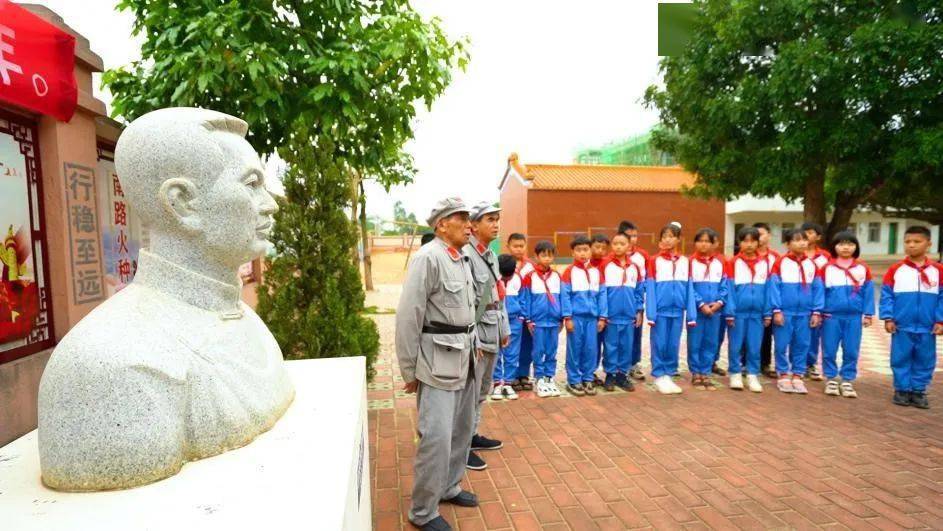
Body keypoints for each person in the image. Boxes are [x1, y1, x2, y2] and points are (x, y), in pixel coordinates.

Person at [395, 197, 479, 531]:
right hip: (437, 361)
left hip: (465, 356)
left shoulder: (460, 258)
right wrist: (409, 368)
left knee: (460, 432)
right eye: (462, 218)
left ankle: (449, 486)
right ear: (442, 224)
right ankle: (423, 510)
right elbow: (409, 315)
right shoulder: (427, 258)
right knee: (436, 437)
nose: (469, 224)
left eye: (469, 218)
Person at [463, 202, 510, 471]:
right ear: (474, 224)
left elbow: (497, 295)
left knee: (482, 390)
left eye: (497, 219)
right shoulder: (467, 256)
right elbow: (468, 303)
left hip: (493, 327)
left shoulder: (491, 255)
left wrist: (504, 328)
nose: (495, 224)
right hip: (478, 332)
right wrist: (474, 340)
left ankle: (472, 435)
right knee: (470, 393)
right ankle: (463, 445)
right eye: (490, 219)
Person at [880, 226, 943, 409]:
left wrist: (940, 320)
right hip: (902, 325)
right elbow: (887, 295)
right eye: (907, 242)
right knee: (900, 357)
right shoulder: (896, 270)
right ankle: (901, 389)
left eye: (917, 241)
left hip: (927, 325)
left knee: (925, 358)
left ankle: (918, 390)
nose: (911, 245)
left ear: (929, 244)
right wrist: (888, 317)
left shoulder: (938, 270)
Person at [769, 228, 824, 394]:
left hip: (805, 313)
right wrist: (776, 310)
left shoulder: (812, 265)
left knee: (802, 344)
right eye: (797, 240)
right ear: (788, 244)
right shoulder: (780, 263)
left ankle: (798, 375)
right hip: (785, 311)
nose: (802, 243)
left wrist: (816, 311)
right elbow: (774, 287)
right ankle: (783, 374)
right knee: (781, 344)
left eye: (804, 240)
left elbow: (818, 289)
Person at [820, 231, 874, 398]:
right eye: (841, 244)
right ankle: (831, 378)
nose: (845, 247)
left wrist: (868, 313)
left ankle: (847, 380)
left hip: (854, 317)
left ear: (856, 247)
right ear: (834, 247)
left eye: (850, 244)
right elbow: (820, 292)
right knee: (829, 349)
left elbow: (868, 292)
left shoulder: (862, 268)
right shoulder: (826, 268)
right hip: (830, 316)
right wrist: (818, 311)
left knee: (851, 349)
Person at [646, 224, 696, 394]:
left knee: (673, 343)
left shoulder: (685, 261)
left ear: (678, 239)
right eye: (664, 236)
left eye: (671, 236)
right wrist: (651, 313)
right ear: (660, 240)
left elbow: (689, 287)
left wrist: (691, 313)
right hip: (660, 311)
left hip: (678, 310)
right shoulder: (655, 261)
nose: (667, 239)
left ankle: (669, 373)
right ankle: (659, 375)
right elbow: (651, 288)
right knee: (659, 343)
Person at [724, 227, 772, 392]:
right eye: (745, 241)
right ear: (739, 243)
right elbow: (729, 289)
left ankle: (752, 374)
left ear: (758, 242)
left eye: (753, 241)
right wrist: (730, 311)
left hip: (757, 313)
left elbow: (768, 290)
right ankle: (735, 373)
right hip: (738, 312)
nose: (749, 244)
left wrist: (767, 312)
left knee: (754, 344)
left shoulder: (765, 263)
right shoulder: (732, 263)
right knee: (736, 344)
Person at [561, 236, 606, 396]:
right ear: (572, 252)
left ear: (590, 250)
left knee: (591, 349)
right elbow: (565, 296)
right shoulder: (569, 272)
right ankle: (574, 380)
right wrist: (567, 317)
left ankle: (587, 378)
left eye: (585, 250)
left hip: (592, 319)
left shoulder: (596, 272)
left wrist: (602, 317)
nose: (583, 254)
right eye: (578, 250)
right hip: (576, 318)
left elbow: (602, 295)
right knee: (575, 349)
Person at [599, 232, 643, 392]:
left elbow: (639, 291)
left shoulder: (634, 267)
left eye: (622, 243)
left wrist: (639, 311)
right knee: (611, 346)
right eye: (615, 243)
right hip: (611, 316)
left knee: (626, 346)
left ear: (629, 246)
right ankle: (610, 375)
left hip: (629, 316)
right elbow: (601, 292)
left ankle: (622, 375)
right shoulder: (605, 265)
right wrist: (603, 314)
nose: (618, 246)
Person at [522, 241, 563, 398]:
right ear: (536, 256)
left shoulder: (557, 277)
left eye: (550, 255)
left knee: (552, 350)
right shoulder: (529, 277)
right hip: (537, 321)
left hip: (553, 320)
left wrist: (561, 318)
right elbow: (526, 299)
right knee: (538, 350)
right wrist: (528, 319)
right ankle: (539, 377)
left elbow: (561, 298)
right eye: (543, 255)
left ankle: (549, 377)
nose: (547, 258)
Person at [688, 228, 727, 391]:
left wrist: (719, 302)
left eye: (707, 241)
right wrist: (701, 304)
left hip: (715, 310)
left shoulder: (720, 263)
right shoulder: (690, 262)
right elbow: (689, 287)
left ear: (713, 244)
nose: (703, 244)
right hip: (697, 310)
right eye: (700, 240)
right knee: (695, 341)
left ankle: (706, 371)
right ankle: (695, 371)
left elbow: (725, 286)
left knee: (711, 340)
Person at [618, 220, 650, 381]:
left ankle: (633, 364)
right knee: (616, 337)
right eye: (629, 236)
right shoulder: (613, 257)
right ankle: (616, 367)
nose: (632, 239)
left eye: (635, 236)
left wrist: (641, 302)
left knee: (636, 334)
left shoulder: (643, 255)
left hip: (636, 302)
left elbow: (646, 279)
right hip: (617, 305)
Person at [801, 221, 831, 381]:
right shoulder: (795, 255)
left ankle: (810, 364)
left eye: (811, 232)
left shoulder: (825, 257)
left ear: (818, 237)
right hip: (799, 301)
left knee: (814, 334)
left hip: (819, 301)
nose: (807, 235)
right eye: (804, 232)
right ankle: (797, 364)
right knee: (798, 334)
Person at [491, 254, 523, 401]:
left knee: (512, 353)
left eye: (508, 278)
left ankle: (508, 383)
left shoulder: (517, 278)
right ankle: (497, 382)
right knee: (496, 352)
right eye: (503, 278)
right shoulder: (490, 280)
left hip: (514, 320)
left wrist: (521, 316)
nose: (505, 281)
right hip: (496, 320)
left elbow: (524, 296)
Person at [507, 233, 536, 391]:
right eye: (515, 246)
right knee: (511, 345)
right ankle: (511, 376)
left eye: (521, 246)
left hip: (529, 313)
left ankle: (523, 374)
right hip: (513, 314)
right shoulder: (503, 264)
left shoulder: (531, 266)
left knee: (527, 344)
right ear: (508, 247)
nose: (519, 249)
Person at [754, 222, 780, 377]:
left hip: (769, 300)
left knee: (766, 333)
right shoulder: (747, 256)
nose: (759, 238)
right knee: (748, 333)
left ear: (769, 235)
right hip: (752, 299)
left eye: (762, 234)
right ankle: (745, 363)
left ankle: (764, 364)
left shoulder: (776, 258)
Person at [590, 233, 611, 384]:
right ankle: (590, 372)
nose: (600, 250)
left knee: (608, 344)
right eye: (597, 247)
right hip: (591, 313)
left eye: (604, 248)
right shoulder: (586, 265)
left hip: (607, 312)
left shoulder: (609, 264)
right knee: (592, 344)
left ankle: (610, 372)